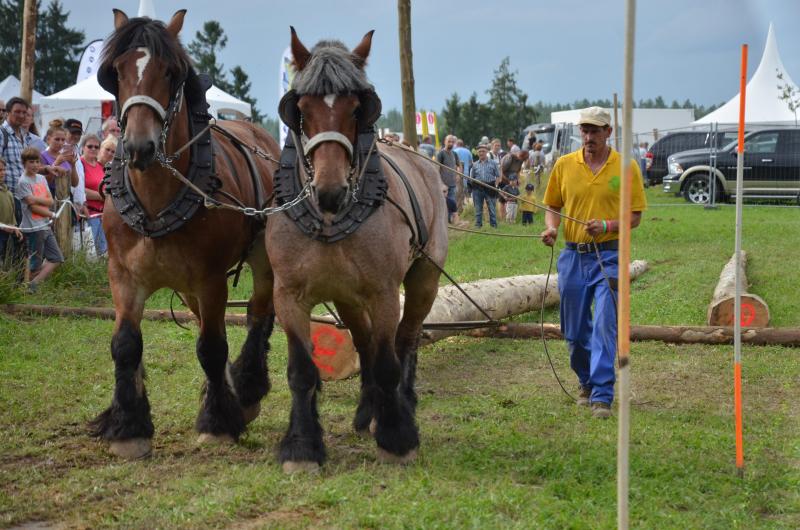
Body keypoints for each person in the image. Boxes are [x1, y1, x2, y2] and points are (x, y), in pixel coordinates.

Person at [540, 107, 647, 419]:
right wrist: (552, 228)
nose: (588, 137)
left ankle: (602, 393)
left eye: (595, 131)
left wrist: (608, 225)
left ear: (608, 132)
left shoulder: (626, 168)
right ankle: (585, 381)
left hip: (610, 255)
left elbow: (636, 216)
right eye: (584, 131)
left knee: (603, 324)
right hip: (572, 256)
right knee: (573, 331)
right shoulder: (564, 165)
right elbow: (553, 205)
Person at [15, 147, 63, 291]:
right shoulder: (23, 182)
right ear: (24, 163)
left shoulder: (41, 178)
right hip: (33, 227)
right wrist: (51, 214)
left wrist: (35, 199)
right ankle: (27, 288)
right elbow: (32, 207)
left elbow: (50, 201)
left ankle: (32, 284)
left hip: (45, 225)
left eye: (37, 161)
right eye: (31, 162)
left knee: (56, 258)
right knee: (35, 263)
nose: (35, 165)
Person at [1, 97, 33, 224]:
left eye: (24, 112)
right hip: (8, 198)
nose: (21, 115)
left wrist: (46, 169)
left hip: (24, 198)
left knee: (22, 241)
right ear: (8, 112)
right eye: (17, 112)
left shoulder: (23, 136)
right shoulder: (1, 133)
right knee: (8, 241)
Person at [80, 134, 107, 257]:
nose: (93, 149)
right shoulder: (80, 163)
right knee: (90, 256)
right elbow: (80, 190)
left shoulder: (101, 166)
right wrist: (103, 196)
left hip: (103, 215)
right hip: (88, 215)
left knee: (103, 254)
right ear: (83, 147)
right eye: (89, 146)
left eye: (96, 147)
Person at [40, 120, 80, 199]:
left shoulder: (64, 156)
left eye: (63, 140)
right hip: (51, 195)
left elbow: (74, 184)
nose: (60, 143)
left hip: (66, 194)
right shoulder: (42, 156)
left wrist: (73, 165)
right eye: (57, 139)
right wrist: (56, 163)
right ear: (48, 139)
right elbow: (45, 182)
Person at [469, 144, 500, 228]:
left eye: (483, 151)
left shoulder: (493, 163)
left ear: (486, 152)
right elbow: (472, 178)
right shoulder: (474, 164)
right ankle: (478, 225)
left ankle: (493, 225)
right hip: (478, 189)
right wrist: (473, 188)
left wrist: (496, 186)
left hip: (490, 187)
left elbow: (498, 176)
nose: (481, 153)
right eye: (479, 151)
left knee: (492, 208)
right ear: (477, 153)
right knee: (478, 209)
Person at [0, 157, 24, 267]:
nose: (3, 173)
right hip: (2, 231)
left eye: (4, 169)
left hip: (7, 233)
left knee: (7, 261)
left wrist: (15, 227)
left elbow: (11, 213)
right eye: (0, 170)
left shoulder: (7, 191)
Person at [499, 148, 528, 221]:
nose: (522, 160)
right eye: (521, 158)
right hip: (504, 180)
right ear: (519, 155)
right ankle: (502, 218)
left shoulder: (520, 161)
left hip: (512, 182)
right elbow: (501, 171)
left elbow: (518, 171)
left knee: (511, 201)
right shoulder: (510, 158)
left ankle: (509, 218)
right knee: (503, 200)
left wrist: (517, 180)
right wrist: (508, 181)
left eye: (523, 160)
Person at [436, 134, 460, 222]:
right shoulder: (441, 154)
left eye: (452, 142)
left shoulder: (454, 153)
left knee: (452, 202)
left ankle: (449, 220)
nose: (451, 143)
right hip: (443, 184)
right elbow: (437, 168)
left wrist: (458, 174)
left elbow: (459, 165)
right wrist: (441, 183)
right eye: (449, 141)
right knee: (443, 202)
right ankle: (443, 220)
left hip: (452, 183)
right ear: (445, 142)